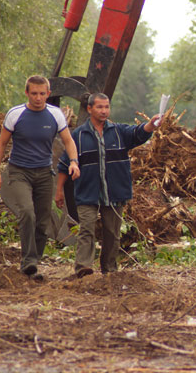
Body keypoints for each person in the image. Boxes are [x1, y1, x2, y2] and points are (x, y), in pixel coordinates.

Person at [55, 93, 161, 278]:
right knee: (86, 229)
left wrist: (150, 125)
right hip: (87, 191)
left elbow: (138, 133)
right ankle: (83, 269)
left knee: (112, 233)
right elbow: (64, 165)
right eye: (99, 107)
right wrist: (59, 192)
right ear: (89, 109)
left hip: (114, 191)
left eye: (106, 107)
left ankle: (109, 271)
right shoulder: (78, 136)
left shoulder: (119, 132)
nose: (104, 111)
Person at [0, 75, 80, 281]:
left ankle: (34, 264)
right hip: (19, 171)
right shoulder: (16, 114)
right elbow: (1, 144)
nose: (38, 98)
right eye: (34, 94)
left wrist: (74, 161)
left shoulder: (55, 114)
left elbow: (68, 141)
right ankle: (28, 261)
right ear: (27, 93)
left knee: (42, 221)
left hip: (44, 172)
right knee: (27, 213)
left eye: (42, 94)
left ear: (48, 94)